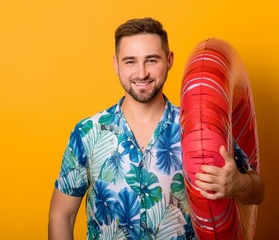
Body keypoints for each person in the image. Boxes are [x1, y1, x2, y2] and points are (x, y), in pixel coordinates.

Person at [48, 17, 264, 240]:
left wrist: (238, 183)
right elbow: (61, 214)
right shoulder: (87, 133)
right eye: (130, 61)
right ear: (116, 64)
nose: (141, 73)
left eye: (151, 60)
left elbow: (258, 192)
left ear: (169, 60)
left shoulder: (198, 128)